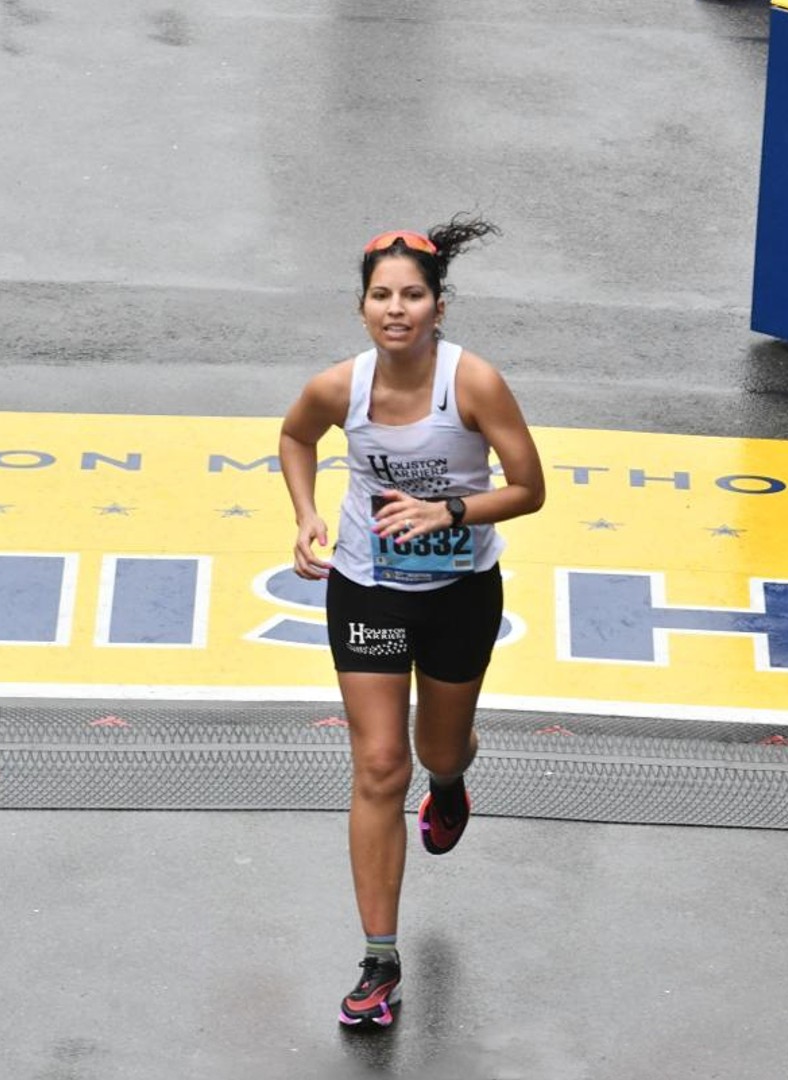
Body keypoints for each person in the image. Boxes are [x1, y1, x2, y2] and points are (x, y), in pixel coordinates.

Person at [278, 216, 545, 1030]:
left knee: (434, 749)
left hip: (462, 589)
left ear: (438, 305)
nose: (396, 309)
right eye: (381, 296)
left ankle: (454, 778)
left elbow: (530, 489)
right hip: (368, 586)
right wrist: (305, 514)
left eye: (413, 295)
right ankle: (378, 962)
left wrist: (449, 509)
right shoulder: (338, 387)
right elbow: (295, 437)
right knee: (380, 764)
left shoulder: (475, 384)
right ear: (362, 307)